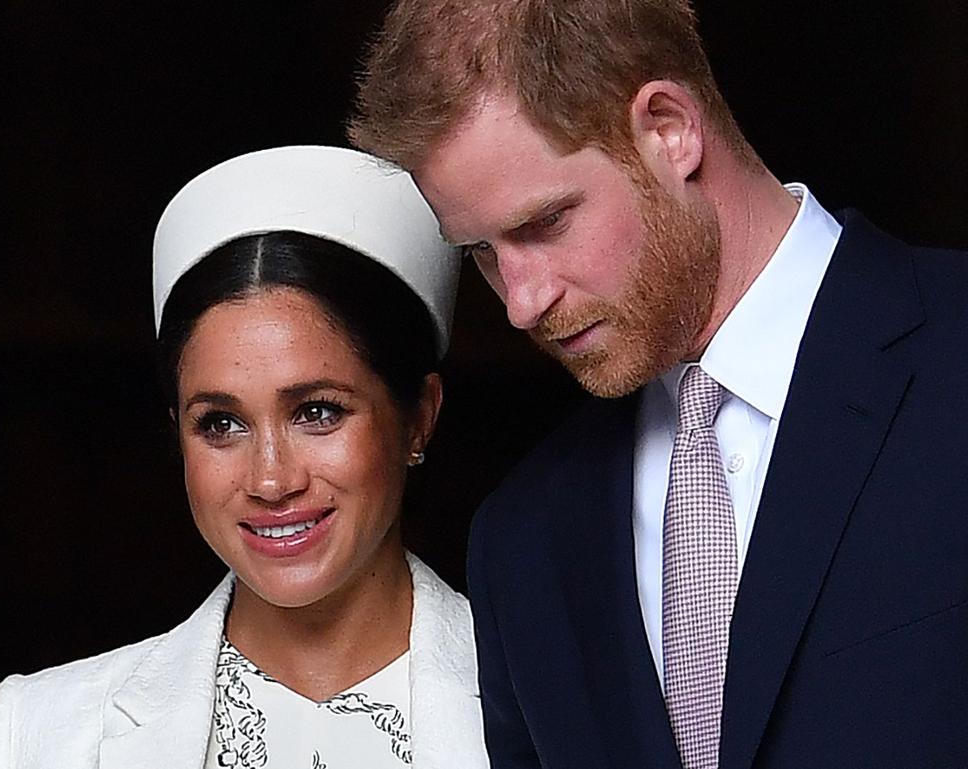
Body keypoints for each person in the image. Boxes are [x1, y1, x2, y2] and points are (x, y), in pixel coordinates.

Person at [346, 2, 968, 768]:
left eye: (545, 223)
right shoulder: (522, 543)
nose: (519, 302)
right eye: (480, 249)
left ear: (670, 127)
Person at [0, 146, 489, 769]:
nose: (271, 479)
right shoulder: (49, 733)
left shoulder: (553, 706)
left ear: (419, 416)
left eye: (317, 412)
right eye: (221, 424)